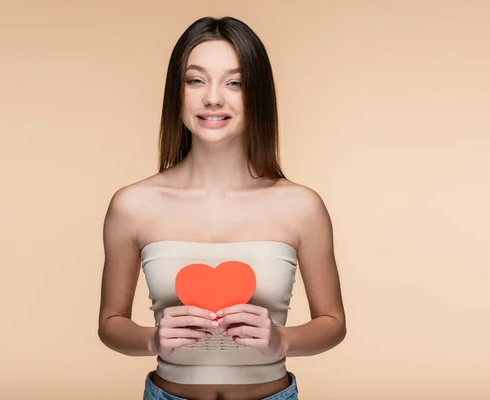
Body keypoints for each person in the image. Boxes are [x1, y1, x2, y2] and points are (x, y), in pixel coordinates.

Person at [97, 16, 346, 400]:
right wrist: (152, 339)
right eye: (196, 80)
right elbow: (110, 324)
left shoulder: (301, 206)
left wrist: (281, 340)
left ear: (257, 94)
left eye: (235, 82)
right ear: (176, 92)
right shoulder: (132, 205)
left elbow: (332, 323)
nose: (213, 98)